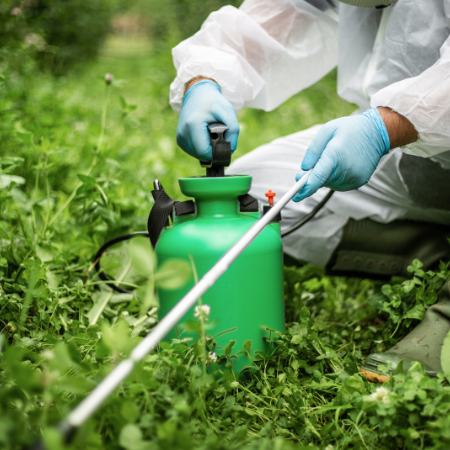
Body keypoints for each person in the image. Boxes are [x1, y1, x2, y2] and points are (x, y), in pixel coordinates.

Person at [169, 0, 450, 382]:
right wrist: (203, 81)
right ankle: (434, 255)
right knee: (252, 207)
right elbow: (268, 22)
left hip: (397, 131)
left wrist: (387, 125)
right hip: (408, 157)